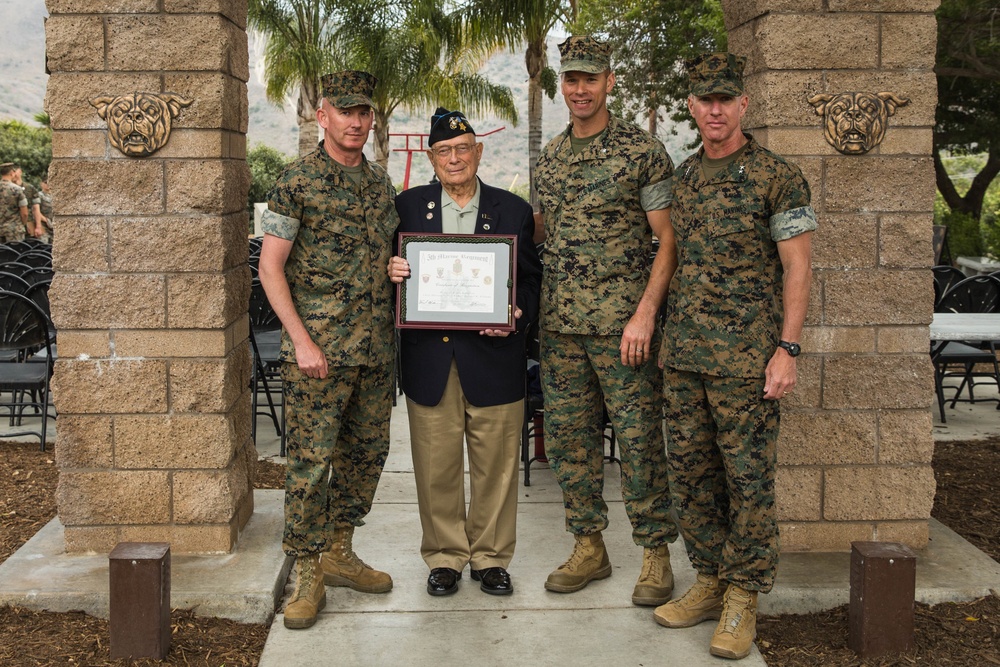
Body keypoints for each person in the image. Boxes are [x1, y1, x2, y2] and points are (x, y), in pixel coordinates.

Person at [653, 53, 815, 661]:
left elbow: (798, 266)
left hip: (749, 361)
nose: (715, 110)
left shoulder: (777, 175)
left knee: (747, 481)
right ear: (692, 108)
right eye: (704, 100)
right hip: (687, 357)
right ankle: (710, 579)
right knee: (691, 476)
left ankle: (744, 595)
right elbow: (674, 257)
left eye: (726, 100)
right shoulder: (686, 177)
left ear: (743, 104)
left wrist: (787, 350)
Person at [533, 35, 678, 606]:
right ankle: (589, 546)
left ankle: (656, 554)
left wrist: (645, 314)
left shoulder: (642, 152)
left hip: (625, 331)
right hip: (561, 327)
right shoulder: (550, 158)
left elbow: (667, 239)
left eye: (590, 79)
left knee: (640, 444)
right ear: (561, 85)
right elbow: (542, 237)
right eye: (571, 79)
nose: (580, 89)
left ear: (610, 82)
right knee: (571, 445)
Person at [258, 70, 399, 630]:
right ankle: (308, 572)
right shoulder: (295, 182)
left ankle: (340, 550)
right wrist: (301, 342)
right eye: (346, 111)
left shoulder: (380, 186)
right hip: (318, 353)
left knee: (366, 458)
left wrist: (397, 270)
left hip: (374, 352)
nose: (357, 122)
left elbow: (388, 259)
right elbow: (271, 269)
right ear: (323, 115)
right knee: (311, 467)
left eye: (364, 112)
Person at [388, 108, 542, 597]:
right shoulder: (406, 208)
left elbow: (533, 279)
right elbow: (386, 272)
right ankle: (445, 556)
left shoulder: (512, 209)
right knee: (436, 466)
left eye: (462, 149)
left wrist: (516, 312)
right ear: (431, 158)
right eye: (443, 151)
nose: (454, 158)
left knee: (496, 466)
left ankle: (491, 558)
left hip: (495, 359)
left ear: (478, 152)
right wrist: (391, 271)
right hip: (430, 361)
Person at [0, 163, 30, 243]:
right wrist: (22, 225)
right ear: (11, 173)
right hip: (14, 230)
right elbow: (24, 213)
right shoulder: (17, 189)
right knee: (14, 254)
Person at [13, 168, 45, 240]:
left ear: (20, 172)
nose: (13, 174)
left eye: (15, 171)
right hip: (11, 228)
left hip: (28, 225)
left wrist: (38, 226)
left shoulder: (29, 188)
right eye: (12, 172)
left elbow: (36, 208)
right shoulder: (5, 189)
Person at [38, 177, 53, 243]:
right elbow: (36, 211)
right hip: (44, 226)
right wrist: (46, 220)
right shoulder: (39, 195)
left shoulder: (56, 195)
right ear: (41, 184)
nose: (48, 184)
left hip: (55, 226)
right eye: (46, 182)